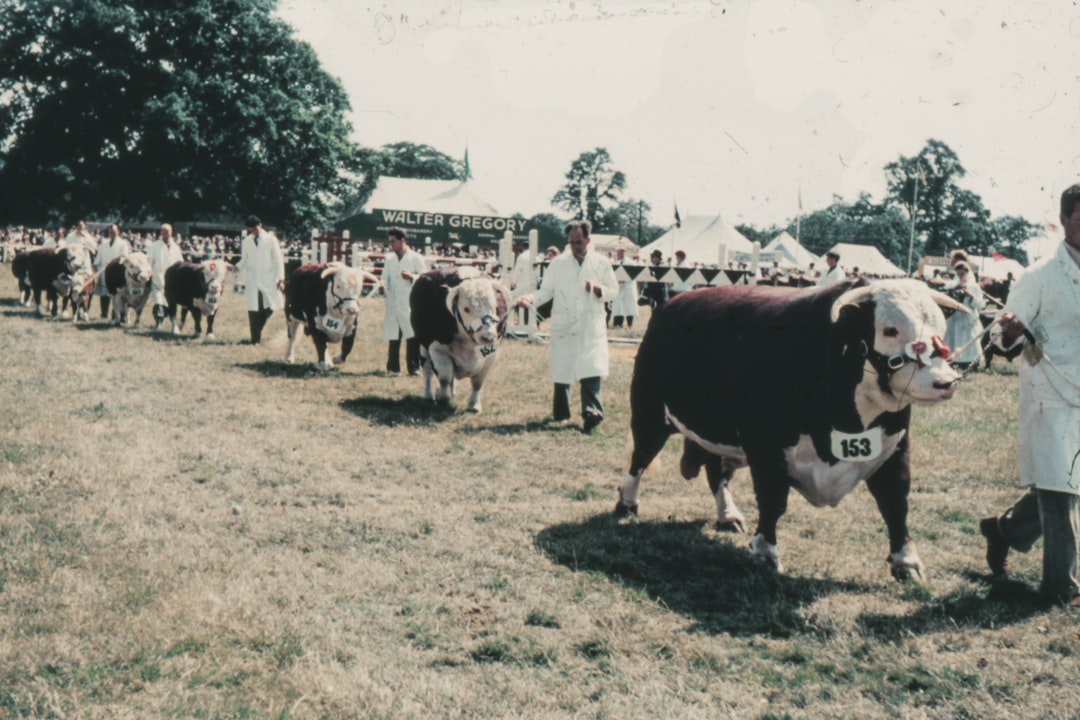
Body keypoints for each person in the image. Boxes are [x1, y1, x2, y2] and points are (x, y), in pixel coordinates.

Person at [980, 182, 1080, 608]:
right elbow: (999, 336)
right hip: (1049, 396)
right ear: (1064, 220)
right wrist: (1010, 333)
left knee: (1062, 485)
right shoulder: (1038, 276)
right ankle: (1062, 587)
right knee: (1061, 490)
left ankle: (1002, 531)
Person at [517, 220, 618, 433]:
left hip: (590, 323)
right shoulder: (558, 263)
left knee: (591, 367)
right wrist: (529, 298)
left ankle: (592, 412)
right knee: (562, 368)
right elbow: (546, 292)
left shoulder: (601, 263)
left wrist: (599, 289)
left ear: (588, 240)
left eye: (579, 242)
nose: (575, 246)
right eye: (571, 242)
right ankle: (561, 412)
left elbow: (613, 290)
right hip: (564, 323)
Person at [380, 227, 427, 374]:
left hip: (409, 303)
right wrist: (383, 284)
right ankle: (393, 368)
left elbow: (425, 277)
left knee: (411, 336)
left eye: (393, 241)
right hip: (393, 302)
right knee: (394, 337)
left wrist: (412, 276)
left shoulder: (416, 258)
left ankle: (414, 368)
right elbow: (384, 277)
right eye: (390, 241)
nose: (391, 244)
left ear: (402, 240)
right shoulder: (389, 259)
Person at [235, 215, 285, 345]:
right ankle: (255, 339)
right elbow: (244, 259)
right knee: (253, 309)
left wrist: (280, 278)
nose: (254, 232)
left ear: (260, 225)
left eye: (255, 229)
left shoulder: (271, 240)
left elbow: (278, 260)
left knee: (270, 307)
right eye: (251, 230)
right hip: (252, 279)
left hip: (268, 278)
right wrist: (236, 267)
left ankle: (259, 328)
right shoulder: (246, 241)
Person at [942, 261, 986, 371]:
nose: (960, 276)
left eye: (962, 274)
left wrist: (971, 297)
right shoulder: (951, 285)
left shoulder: (974, 287)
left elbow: (981, 305)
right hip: (954, 317)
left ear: (967, 273)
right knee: (953, 338)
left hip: (967, 318)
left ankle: (970, 362)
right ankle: (953, 360)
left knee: (968, 339)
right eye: (958, 274)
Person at [148, 223, 183, 329]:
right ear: (160, 233)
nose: (165, 234)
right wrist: (149, 274)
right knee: (158, 301)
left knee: (170, 302)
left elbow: (180, 262)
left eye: (167, 232)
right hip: (158, 279)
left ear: (171, 232)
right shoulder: (154, 246)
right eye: (163, 232)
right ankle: (159, 322)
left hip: (172, 281)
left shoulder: (176, 247)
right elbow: (149, 261)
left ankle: (172, 321)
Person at [94, 223, 130, 319]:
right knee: (104, 294)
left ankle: (116, 314)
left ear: (118, 232)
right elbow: (98, 258)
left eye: (114, 231)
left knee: (117, 295)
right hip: (104, 272)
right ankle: (104, 314)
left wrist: (112, 263)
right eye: (110, 232)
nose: (112, 233)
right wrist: (96, 265)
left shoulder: (123, 244)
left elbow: (124, 257)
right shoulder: (104, 244)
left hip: (117, 273)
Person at [610, 247, 639, 329]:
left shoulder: (631, 263)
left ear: (624, 252)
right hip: (619, 288)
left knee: (629, 308)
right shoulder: (617, 263)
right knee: (619, 307)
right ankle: (618, 324)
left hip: (628, 288)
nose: (618, 254)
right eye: (618, 252)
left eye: (620, 252)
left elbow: (633, 275)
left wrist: (624, 280)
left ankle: (630, 325)